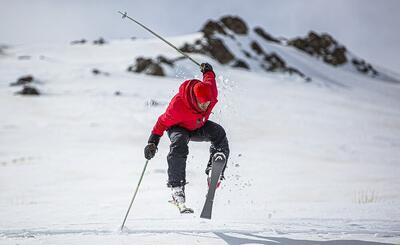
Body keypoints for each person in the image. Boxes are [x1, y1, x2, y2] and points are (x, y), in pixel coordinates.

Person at [144, 63, 230, 207]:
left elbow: (209, 78)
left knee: (219, 133)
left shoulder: (211, 92)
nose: (206, 106)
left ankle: (214, 169)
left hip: (198, 125)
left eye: (208, 103)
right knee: (179, 144)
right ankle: (177, 187)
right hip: (178, 128)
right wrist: (152, 142)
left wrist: (208, 70)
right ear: (195, 99)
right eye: (203, 104)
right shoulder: (177, 107)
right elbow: (161, 123)